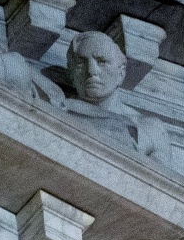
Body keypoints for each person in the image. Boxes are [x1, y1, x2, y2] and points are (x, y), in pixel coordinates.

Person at [56, 32, 169, 166]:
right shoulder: (58, 106)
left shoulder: (149, 129)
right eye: (81, 63)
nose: (92, 71)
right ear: (72, 74)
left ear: (121, 73)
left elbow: (157, 183)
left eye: (102, 62)